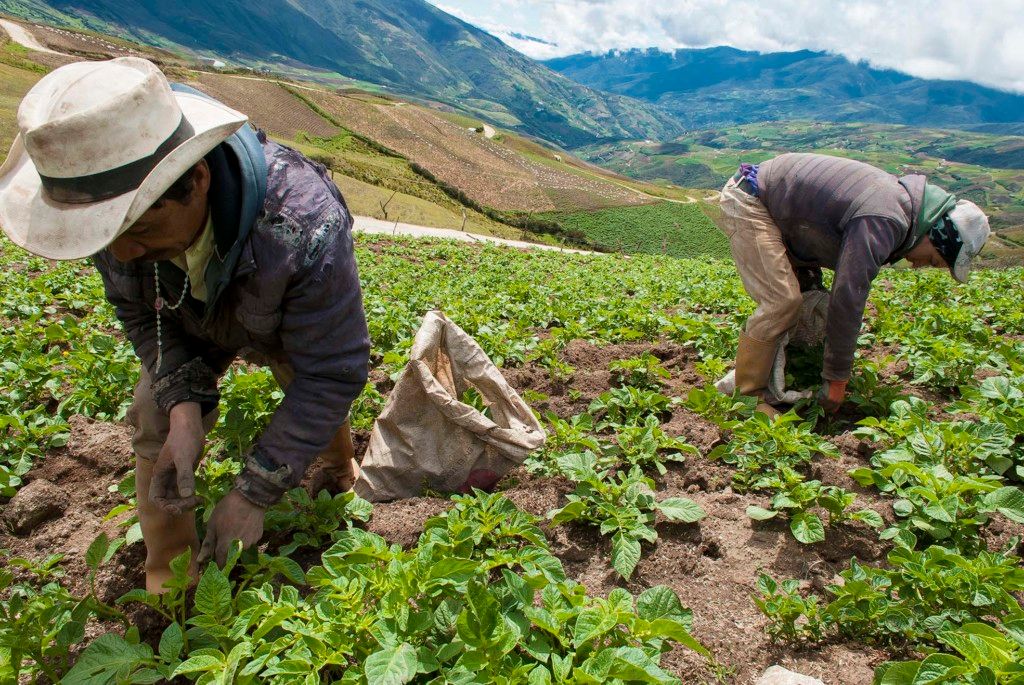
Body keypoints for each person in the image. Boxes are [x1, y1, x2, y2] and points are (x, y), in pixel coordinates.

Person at [0, 57, 370, 592]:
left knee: (302, 377)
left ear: (197, 179)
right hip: (183, 316)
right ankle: (172, 587)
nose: (123, 252)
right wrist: (182, 408)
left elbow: (332, 372)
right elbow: (137, 310)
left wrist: (252, 494)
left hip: (275, 312)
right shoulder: (109, 216)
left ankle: (338, 470)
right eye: (109, 238)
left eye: (141, 228)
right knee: (152, 414)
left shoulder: (303, 226)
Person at [718, 152, 990, 415]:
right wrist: (837, 379)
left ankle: (781, 375)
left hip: (790, 223)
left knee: (811, 308)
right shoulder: (885, 220)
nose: (919, 266)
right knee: (782, 301)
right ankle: (747, 397)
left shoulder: (900, 213)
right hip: (751, 199)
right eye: (931, 260)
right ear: (934, 235)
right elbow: (848, 297)